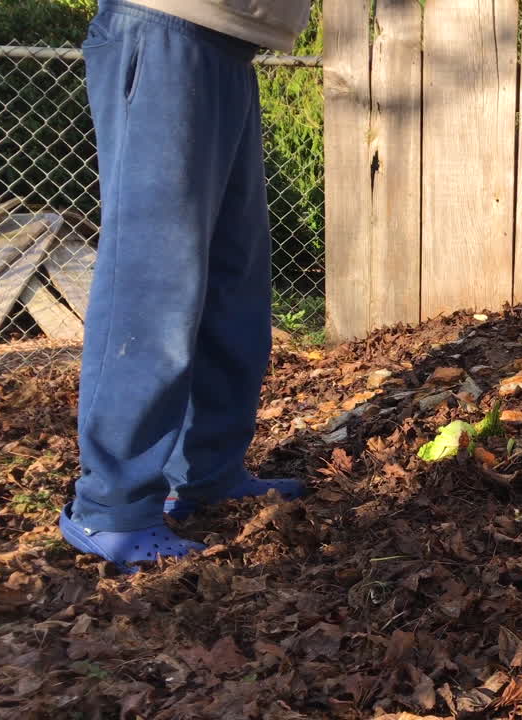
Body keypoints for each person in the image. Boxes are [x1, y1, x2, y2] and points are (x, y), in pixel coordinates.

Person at [58, 0, 312, 573]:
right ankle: (112, 507)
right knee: (154, 284)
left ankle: (204, 472)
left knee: (232, 282)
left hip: (228, 44)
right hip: (167, 27)